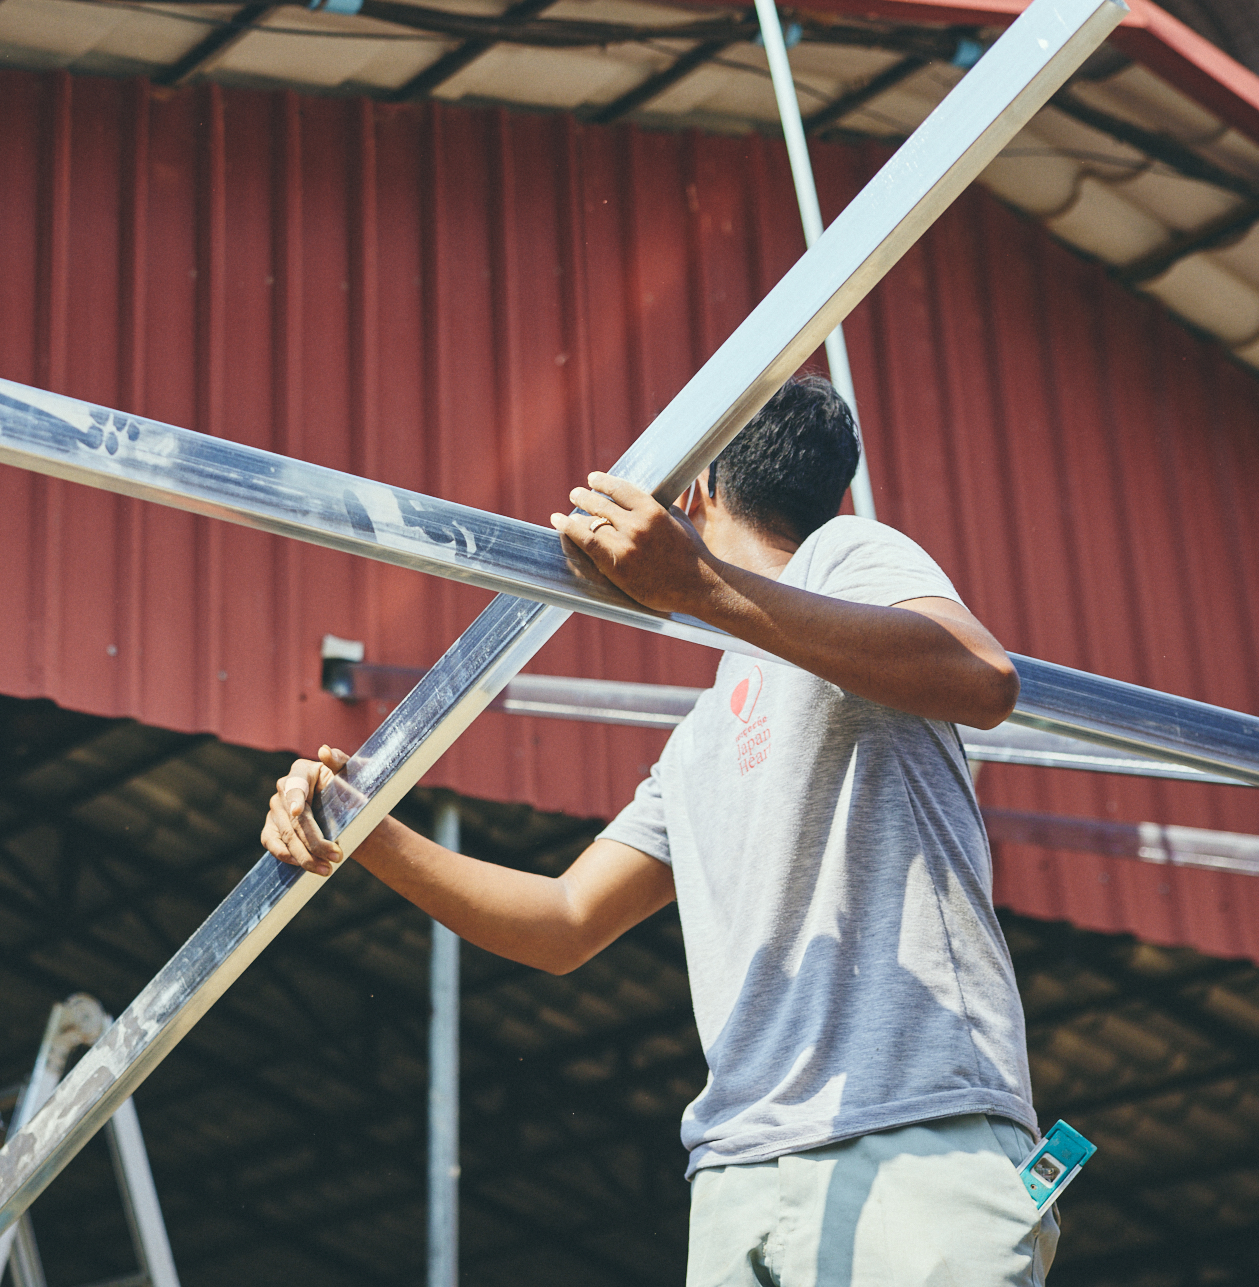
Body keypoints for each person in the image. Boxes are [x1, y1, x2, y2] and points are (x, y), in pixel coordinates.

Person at [262, 376, 1061, 1285]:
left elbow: (983, 675)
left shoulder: (844, 552)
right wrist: (366, 828)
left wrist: (699, 586)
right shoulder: (699, 741)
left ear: (695, 494)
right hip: (741, 1174)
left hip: (913, 1131)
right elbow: (565, 919)